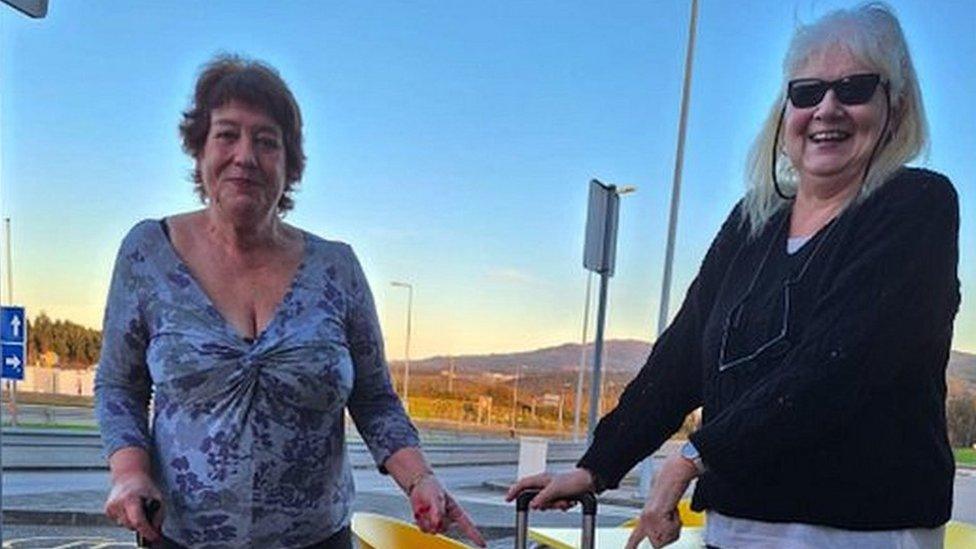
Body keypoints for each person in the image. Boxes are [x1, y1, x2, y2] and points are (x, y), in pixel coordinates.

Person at [508, 3, 959, 548]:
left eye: (856, 88)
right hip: (737, 528)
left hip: (862, 532)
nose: (828, 109)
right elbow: (682, 357)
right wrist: (598, 465)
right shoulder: (752, 222)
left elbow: (840, 364)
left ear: (896, 104)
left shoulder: (916, 206)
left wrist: (694, 456)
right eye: (808, 92)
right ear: (785, 109)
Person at [95, 54, 486, 549]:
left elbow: (373, 397)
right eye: (227, 134)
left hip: (317, 540)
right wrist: (129, 472)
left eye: (266, 141)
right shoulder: (148, 252)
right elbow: (118, 384)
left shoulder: (335, 268)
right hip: (181, 538)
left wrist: (420, 478)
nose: (245, 155)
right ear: (199, 150)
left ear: (289, 164)